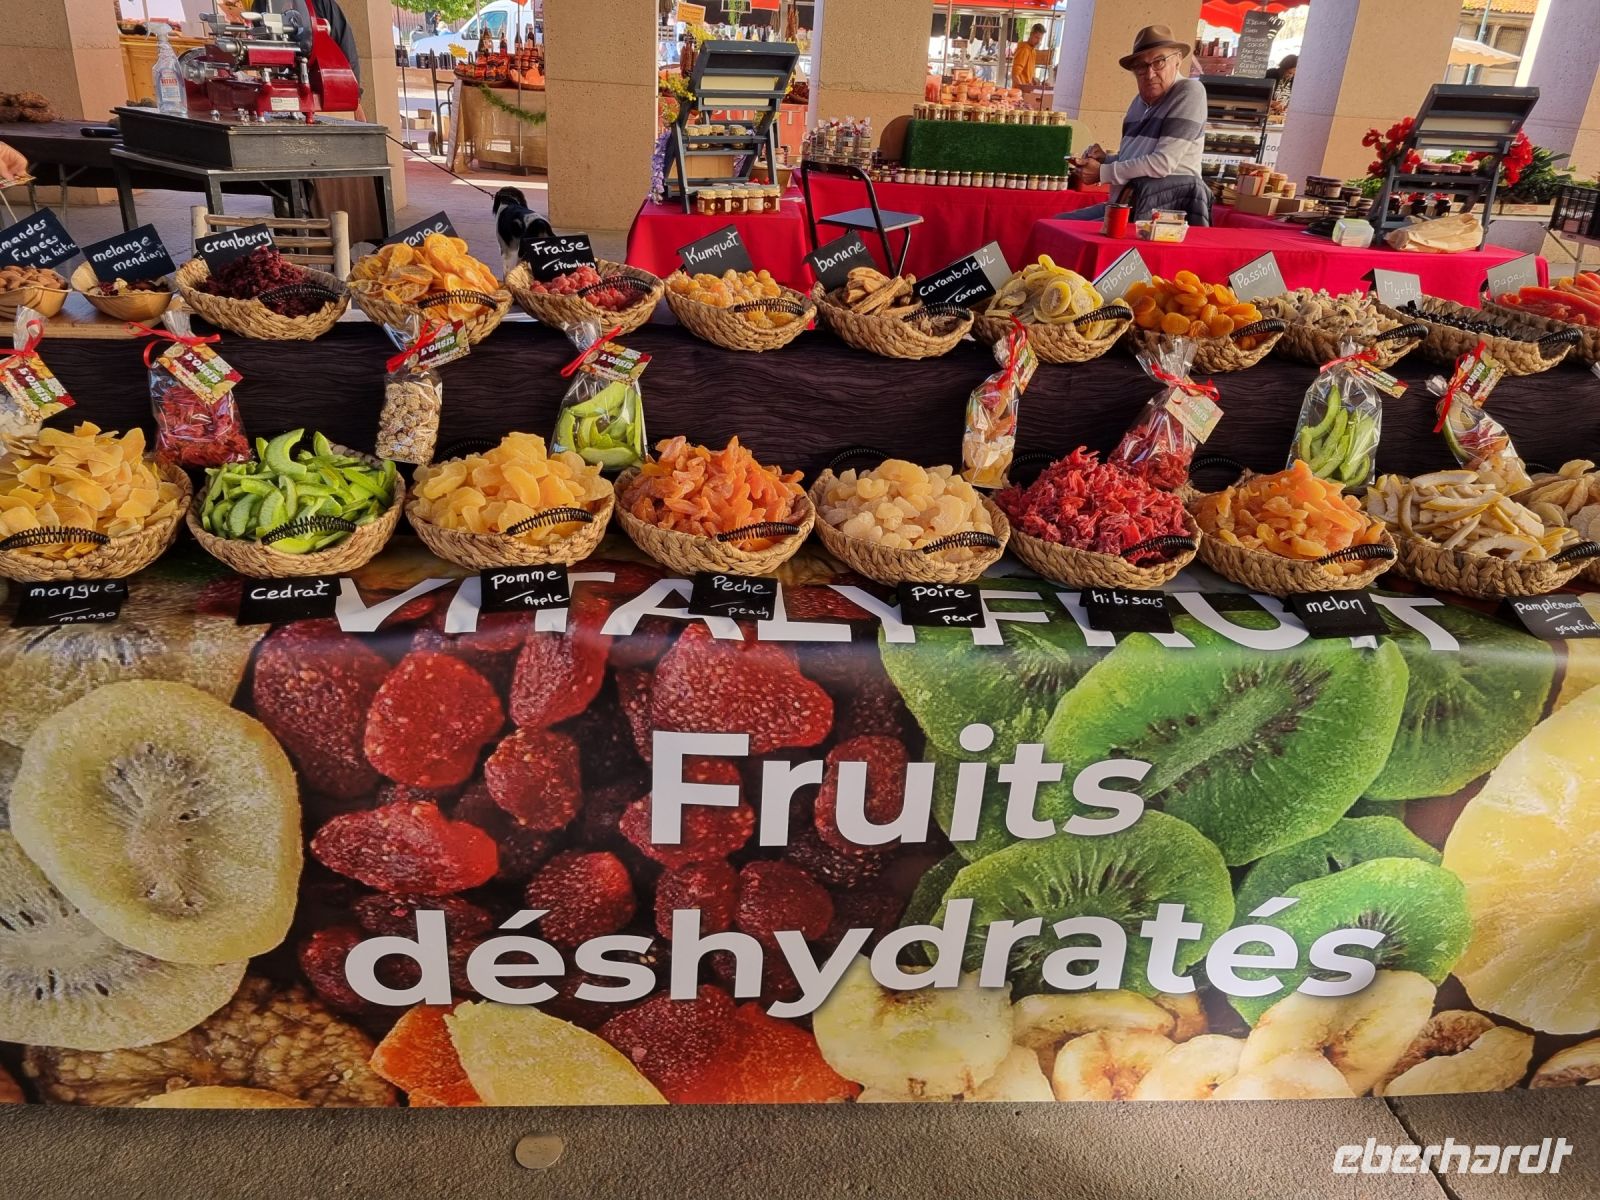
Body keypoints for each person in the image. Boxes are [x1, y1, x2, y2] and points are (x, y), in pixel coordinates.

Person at [1063, 25, 1211, 225]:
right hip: (1128, 203)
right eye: (1141, 66)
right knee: (1056, 224)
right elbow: (1136, 160)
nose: (1150, 74)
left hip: (1161, 212)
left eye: (1159, 62)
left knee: (1069, 230)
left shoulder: (1189, 91)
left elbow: (1161, 164)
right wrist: (1106, 159)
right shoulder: (1138, 103)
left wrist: (1102, 172)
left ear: (1177, 60)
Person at [1012, 24, 1045, 99]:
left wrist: (1033, 79)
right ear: (1031, 34)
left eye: (1040, 39)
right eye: (1036, 38)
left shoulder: (1032, 51)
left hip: (1027, 91)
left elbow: (1027, 72)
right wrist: (1022, 92)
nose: (1038, 41)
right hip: (1020, 93)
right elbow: (1015, 75)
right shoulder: (1024, 50)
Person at [1268, 54, 1297, 123]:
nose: (1291, 76)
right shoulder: (1271, 74)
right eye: (1289, 73)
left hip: (1280, 117)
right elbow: (1260, 95)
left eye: (1294, 74)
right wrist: (1270, 102)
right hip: (1266, 114)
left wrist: (1286, 106)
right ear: (1284, 67)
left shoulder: (1294, 80)